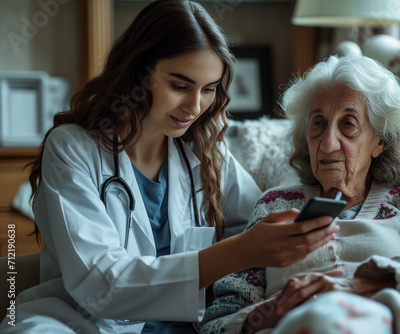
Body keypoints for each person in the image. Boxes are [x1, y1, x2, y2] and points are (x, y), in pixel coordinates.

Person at [0, 1, 338, 333]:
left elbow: (255, 220)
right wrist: (241, 251)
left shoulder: (205, 150)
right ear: (139, 73)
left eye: (208, 90)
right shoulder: (73, 148)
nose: (195, 107)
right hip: (81, 323)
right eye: (179, 86)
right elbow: (99, 285)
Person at [201, 55, 400, 334]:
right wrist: (272, 312)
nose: (328, 144)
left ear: (380, 140)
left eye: (348, 124)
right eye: (318, 123)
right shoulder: (275, 204)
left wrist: (360, 286)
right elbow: (215, 322)